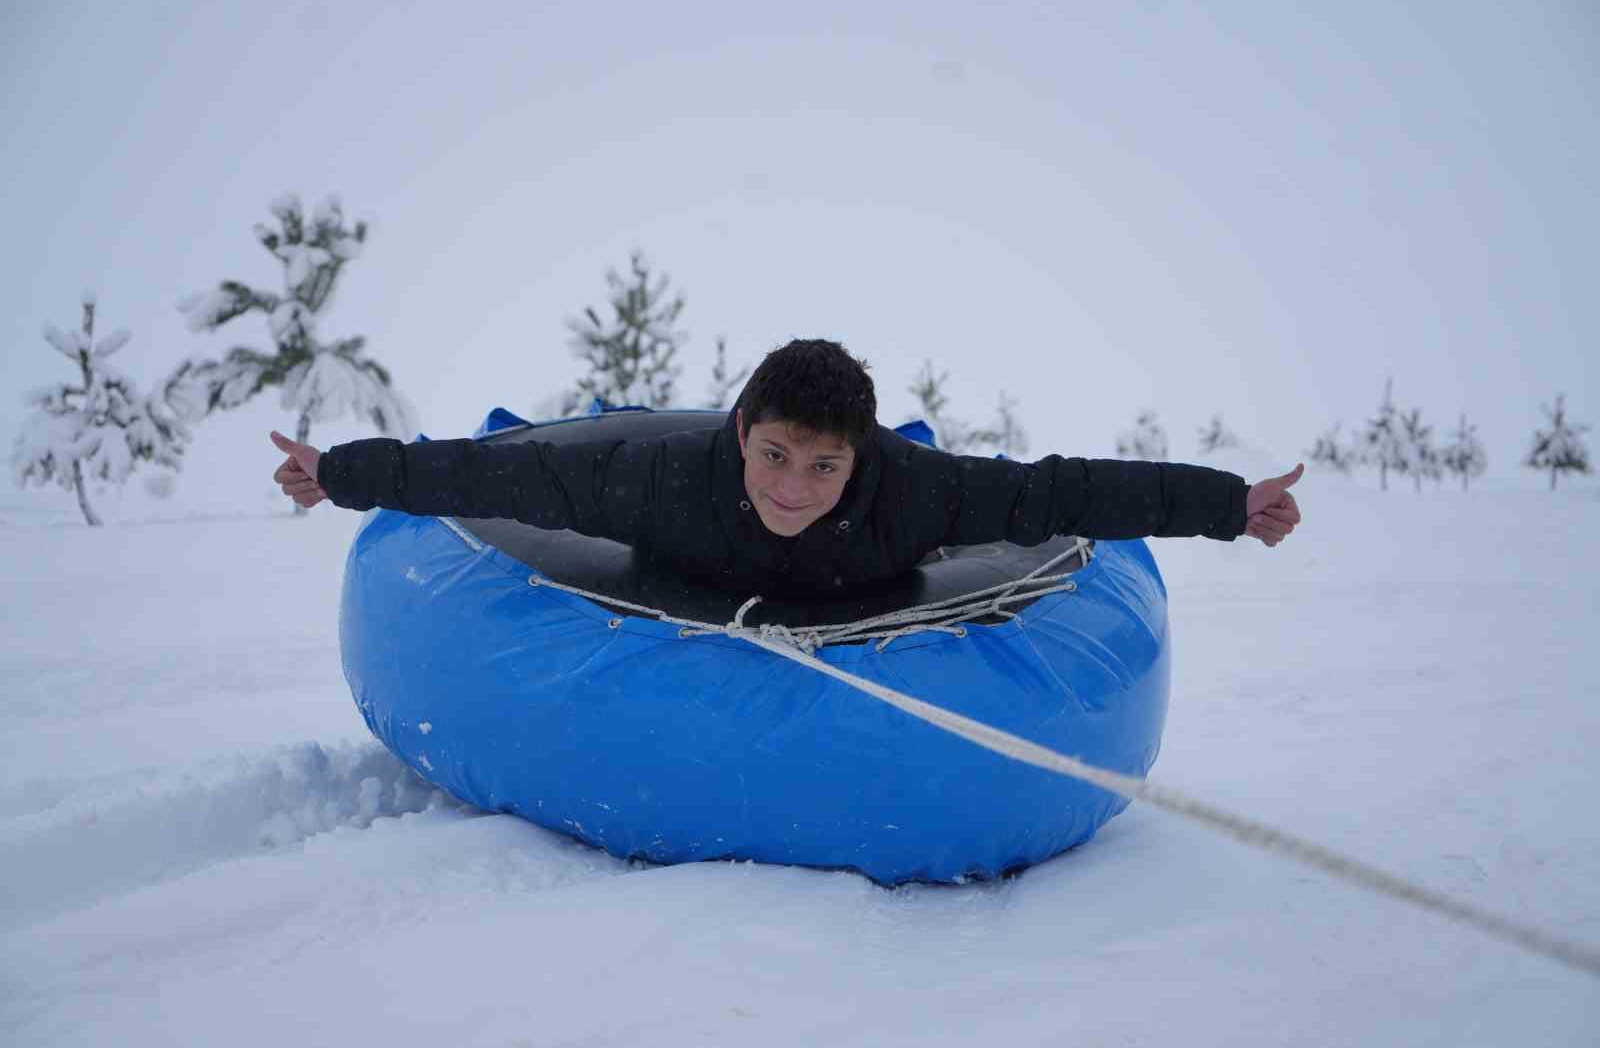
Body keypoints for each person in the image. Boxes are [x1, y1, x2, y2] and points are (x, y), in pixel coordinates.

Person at [270, 339, 1302, 597]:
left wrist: (1227, 503)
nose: (793, 487)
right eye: (773, 455)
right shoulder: (656, 478)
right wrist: (345, 473)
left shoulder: (920, 492)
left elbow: (1065, 491)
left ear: (860, 458)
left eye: (822, 465)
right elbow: (504, 479)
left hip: (872, 589)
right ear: (738, 436)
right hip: (688, 579)